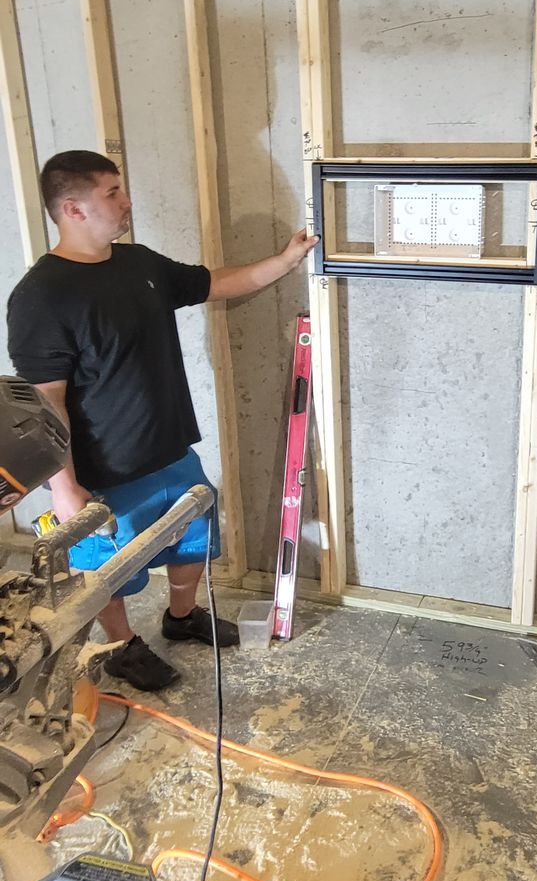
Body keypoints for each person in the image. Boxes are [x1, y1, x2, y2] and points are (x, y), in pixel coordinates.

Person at [7, 150, 317, 692]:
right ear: (73, 208)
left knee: (193, 536)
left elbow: (214, 284)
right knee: (109, 568)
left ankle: (180, 618)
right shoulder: (41, 297)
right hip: (106, 467)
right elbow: (45, 404)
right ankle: (121, 646)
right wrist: (65, 489)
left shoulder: (138, 264)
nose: (126, 202)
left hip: (170, 447)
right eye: (112, 194)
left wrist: (287, 260)